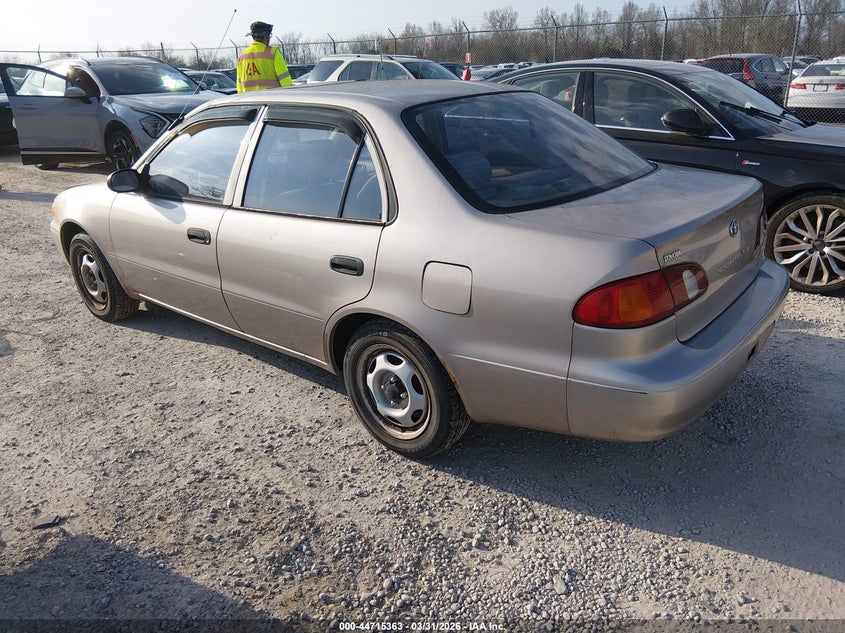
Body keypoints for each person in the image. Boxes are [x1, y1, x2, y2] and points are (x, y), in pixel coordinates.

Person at [236, 21, 293, 92]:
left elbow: (239, 86)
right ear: (266, 36)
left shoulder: (242, 56)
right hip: (271, 100)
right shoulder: (273, 53)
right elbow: (286, 82)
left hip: (249, 101)